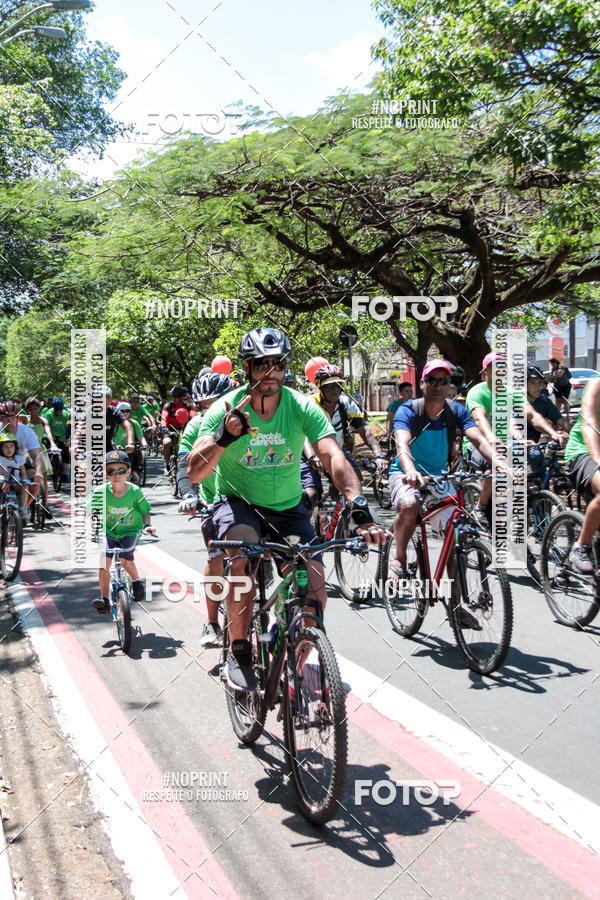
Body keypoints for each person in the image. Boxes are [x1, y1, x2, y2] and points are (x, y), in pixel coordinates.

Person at [187, 327, 386, 691]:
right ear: (247, 369)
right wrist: (223, 437)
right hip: (239, 506)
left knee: (313, 587)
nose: (269, 372)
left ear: (285, 367)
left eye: (277, 363)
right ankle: (240, 650)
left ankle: (288, 663)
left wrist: (358, 508)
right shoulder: (225, 408)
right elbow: (195, 470)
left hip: (287, 508)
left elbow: (332, 455)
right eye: (260, 364)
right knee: (242, 555)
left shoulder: (300, 406)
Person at [389, 360, 496, 628]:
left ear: (450, 386)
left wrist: (500, 464)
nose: (438, 387)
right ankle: (399, 558)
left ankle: (456, 605)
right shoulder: (409, 410)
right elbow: (401, 444)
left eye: (443, 382)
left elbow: (478, 439)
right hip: (405, 473)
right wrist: (411, 470)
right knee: (410, 503)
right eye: (432, 381)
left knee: (457, 529)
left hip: (440, 477)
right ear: (422, 384)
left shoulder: (456, 411)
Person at [464, 353, 566, 530]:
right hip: (478, 445)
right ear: (484, 374)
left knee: (532, 463)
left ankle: (530, 513)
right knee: (494, 465)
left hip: (507, 445)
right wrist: (492, 439)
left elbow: (532, 415)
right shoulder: (477, 392)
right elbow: (480, 419)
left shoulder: (511, 393)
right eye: (494, 369)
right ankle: (480, 507)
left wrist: (552, 433)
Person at [177, 371, 234, 648]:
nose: (210, 410)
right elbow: (182, 463)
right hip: (214, 501)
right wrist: (188, 494)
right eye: (204, 405)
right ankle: (212, 623)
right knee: (216, 559)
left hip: (252, 503)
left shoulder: (243, 418)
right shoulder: (195, 427)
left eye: (217, 403)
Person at [87, 450, 156, 614]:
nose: (116, 475)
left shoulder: (135, 491)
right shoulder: (99, 492)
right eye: (111, 471)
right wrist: (87, 528)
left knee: (125, 559)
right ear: (105, 474)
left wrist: (147, 526)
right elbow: (89, 511)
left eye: (121, 471)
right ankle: (104, 599)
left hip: (130, 530)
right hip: (107, 531)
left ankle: (137, 581)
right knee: (105, 560)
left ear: (128, 472)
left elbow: (145, 511)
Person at [563, 378, 600, 572]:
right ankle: (581, 546)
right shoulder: (596, 385)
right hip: (583, 452)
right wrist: (598, 460)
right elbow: (589, 424)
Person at [0, 400, 44, 514]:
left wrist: (39, 472)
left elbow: (37, 454)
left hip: (20, 463)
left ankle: (23, 508)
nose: (9, 422)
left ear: (17, 417)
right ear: (1, 419)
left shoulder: (27, 432)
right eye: (6, 418)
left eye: (13, 418)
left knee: (35, 482)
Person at [526, 366, 568, 478]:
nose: (538, 387)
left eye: (540, 383)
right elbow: (536, 420)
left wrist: (575, 434)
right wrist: (552, 433)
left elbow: (560, 420)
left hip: (535, 445)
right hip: (514, 446)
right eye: (533, 383)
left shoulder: (544, 401)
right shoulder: (517, 400)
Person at [25, 398, 57, 512]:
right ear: (27, 410)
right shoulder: (24, 420)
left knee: (43, 479)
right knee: (28, 478)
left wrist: (52, 444)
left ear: (39, 408)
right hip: (27, 451)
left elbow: (48, 433)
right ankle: (27, 502)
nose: (33, 411)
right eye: (30, 409)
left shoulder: (43, 421)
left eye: (36, 408)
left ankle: (45, 504)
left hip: (39, 449)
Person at [159, 386, 196, 475]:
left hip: (183, 430)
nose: (174, 399)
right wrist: (164, 428)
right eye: (173, 397)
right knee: (167, 443)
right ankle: (167, 464)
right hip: (169, 430)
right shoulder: (168, 406)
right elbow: (163, 417)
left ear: (181, 397)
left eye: (176, 397)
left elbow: (194, 416)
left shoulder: (188, 406)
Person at [0, 433, 30, 518]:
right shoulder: (1, 460)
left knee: (26, 485)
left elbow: (23, 473)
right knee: (4, 485)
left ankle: (23, 507)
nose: (9, 449)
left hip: (16, 483)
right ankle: (4, 505)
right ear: (1, 448)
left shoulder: (19, 459)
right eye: (6, 446)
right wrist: (3, 479)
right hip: (4, 483)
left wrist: (25, 479)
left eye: (11, 446)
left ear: (15, 447)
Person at [44, 397, 71, 480]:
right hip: (51, 436)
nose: (59, 412)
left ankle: (63, 473)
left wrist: (68, 439)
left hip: (62, 436)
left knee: (66, 454)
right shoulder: (49, 414)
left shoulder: (67, 415)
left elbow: (70, 427)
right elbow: (46, 426)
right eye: (57, 409)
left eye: (60, 409)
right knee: (45, 446)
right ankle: (49, 466)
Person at [547, 357, 572, 424]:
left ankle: (568, 418)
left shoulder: (561, 367)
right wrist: (549, 379)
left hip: (565, 386)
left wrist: (550, 378)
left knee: (564, 401)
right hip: (557, 387)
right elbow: (552, 378)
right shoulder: (553, 369)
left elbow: (559, 375)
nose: (552, 365)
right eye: (551, 364)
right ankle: (557, 418)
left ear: (556, 362)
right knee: (558, 402)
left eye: (553, 363)